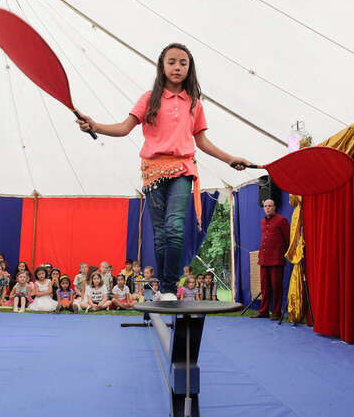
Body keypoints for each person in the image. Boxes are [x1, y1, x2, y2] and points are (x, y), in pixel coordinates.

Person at [77, 43, 250, 297]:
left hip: (182, 170)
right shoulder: (149, 99)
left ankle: (169, 288)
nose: (177, 67)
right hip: (153, 172)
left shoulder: (194, 104)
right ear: (162, 66)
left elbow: (201, 142)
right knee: (159, 235)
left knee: (174, 228)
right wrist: (95, 126)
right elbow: (125, 128)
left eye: (183, 63)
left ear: (189, 68)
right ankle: (162, 289)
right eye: (172, 62)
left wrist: (229, 158)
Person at [251, 199, 290, 320]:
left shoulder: (281, 220)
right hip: (264, 259)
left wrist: (282, 254)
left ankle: (277, 312)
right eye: (265, 206)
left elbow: (288, 239)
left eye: (270, 206)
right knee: (264, 286)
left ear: (274, 207)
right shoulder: (262, 222)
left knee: (276, 286)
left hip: (276, 259)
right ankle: (263, 311)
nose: (267, 208)